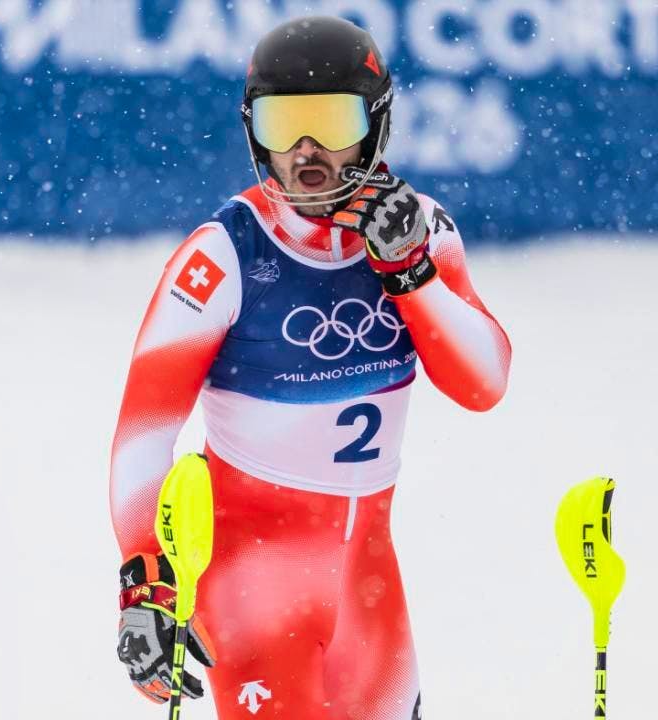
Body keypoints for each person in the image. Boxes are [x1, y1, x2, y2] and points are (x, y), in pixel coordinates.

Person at [111, 15, 511, 720]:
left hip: (369, 591)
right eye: (281, 123)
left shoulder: (422, 229)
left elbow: (484, 384)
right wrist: (147, 587)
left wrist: (410, 276)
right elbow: (143, 437)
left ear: (376, 124)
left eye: (330, 121)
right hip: (252, 593)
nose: (305, 150)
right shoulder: (221, 257)